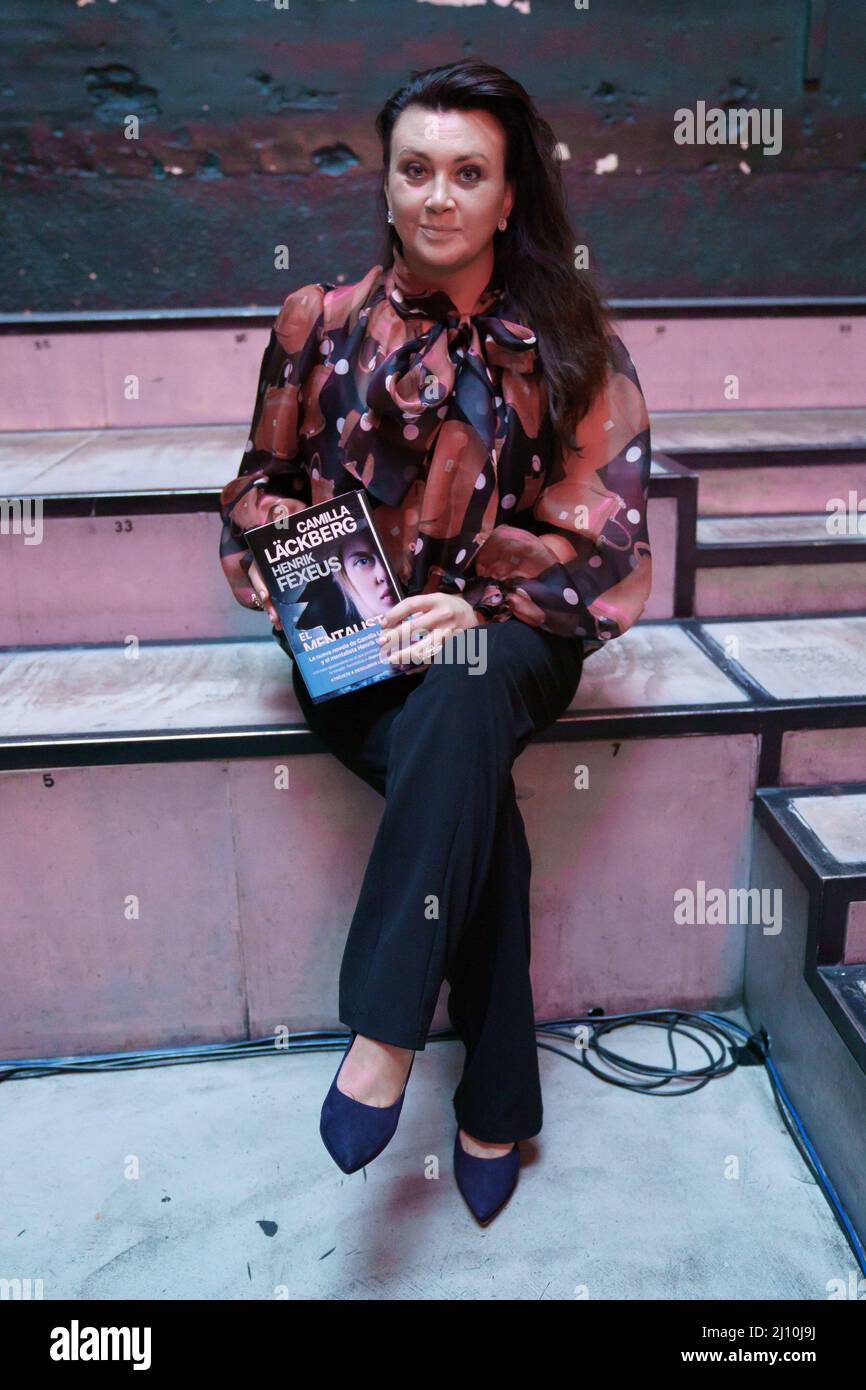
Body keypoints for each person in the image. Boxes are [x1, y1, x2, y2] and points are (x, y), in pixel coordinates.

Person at [218, 59, 653, 1223]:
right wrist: (283, 568)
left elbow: (609, 544)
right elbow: (256, 485)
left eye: (469, 173)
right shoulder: (316, 324)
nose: (438, 196)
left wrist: (479, 602)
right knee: (471, 802)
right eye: (416, 169)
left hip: (513, 638)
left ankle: (383, 1027)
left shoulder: (570, 345)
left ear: (508, 198)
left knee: (462, 690)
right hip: (357, 654)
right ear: (389, 182)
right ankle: (497, 1091)